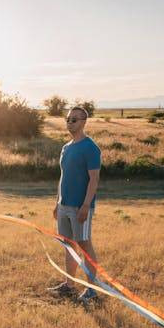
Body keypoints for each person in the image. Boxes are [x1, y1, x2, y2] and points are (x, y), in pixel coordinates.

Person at [48, 106, 102, 303]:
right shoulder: (66, 147)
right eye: (68, 119)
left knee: (85, 246)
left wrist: (86, 206)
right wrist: (57, 203)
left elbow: (94, 179)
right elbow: (63, 177)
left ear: (84, 122)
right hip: (64, 206)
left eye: (74, 120)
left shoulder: (91, 148)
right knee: (68, 246)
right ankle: (69, 285)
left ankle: (92, 290)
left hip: (80, 207)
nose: (70, 123)